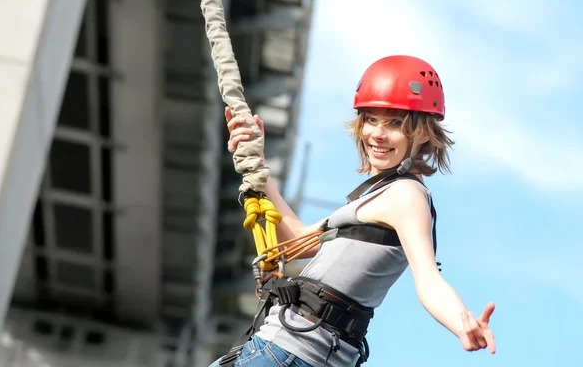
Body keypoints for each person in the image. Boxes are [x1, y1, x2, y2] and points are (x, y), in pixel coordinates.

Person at [212, 55, 496, 367]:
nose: (377, 133)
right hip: (293, 352)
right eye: (371, 120)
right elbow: (293, 243)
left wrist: (462, 322)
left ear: (425, 132)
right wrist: (259, 167)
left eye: (395, 123)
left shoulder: (406, 195)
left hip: (289, 352)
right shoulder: (377, 198)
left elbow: (428, 279)